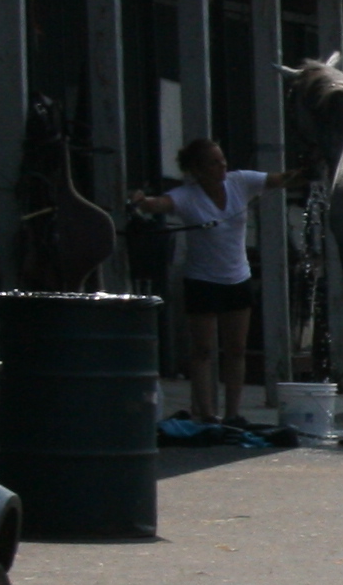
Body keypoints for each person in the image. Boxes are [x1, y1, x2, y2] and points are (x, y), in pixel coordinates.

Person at [130, 135, 308, 428]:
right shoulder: (187, 196)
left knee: (236, 349)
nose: (222, 166)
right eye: (214, 163)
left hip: (237, 278)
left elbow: (279, 180)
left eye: (222, 160)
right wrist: (142, 202)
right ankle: (206, 412)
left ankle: (233, 412)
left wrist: (307, 171)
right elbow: (159, 204)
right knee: (202, 350)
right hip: (202, 280)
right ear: (198, 170)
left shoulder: (240, 182)